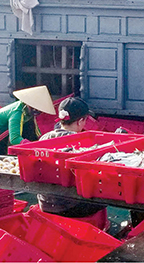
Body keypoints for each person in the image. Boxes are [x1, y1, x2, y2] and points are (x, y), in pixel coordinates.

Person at [37, 97, 108, 229]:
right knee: (107, 196)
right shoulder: (79, 143)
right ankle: (103, 229)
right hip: (70, 208)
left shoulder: (44, 138)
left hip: (45, 204)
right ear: (80, 121)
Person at [0, 85, 55, 154]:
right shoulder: (17, 112)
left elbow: (37, 131)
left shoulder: (28, 111)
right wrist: (32, 146)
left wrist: (42, 143)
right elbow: (14, 139)